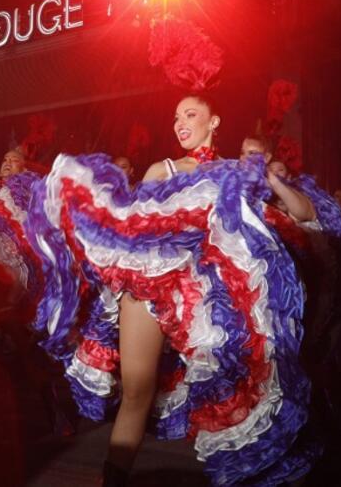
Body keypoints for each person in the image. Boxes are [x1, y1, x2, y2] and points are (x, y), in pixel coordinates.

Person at [29, 94, 313, 486]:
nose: (180, 123)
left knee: (242, 385)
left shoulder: (232, 172)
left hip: (208, 303)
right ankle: (112, 481)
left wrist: (267, 175)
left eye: (191, 115)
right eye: (176, 117)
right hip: (150, 290)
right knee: (137, 393)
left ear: (214, 122)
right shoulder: (161, 170)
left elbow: (303, 213)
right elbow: (133, 229)